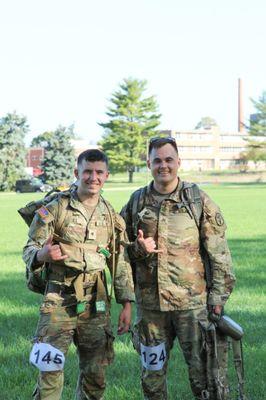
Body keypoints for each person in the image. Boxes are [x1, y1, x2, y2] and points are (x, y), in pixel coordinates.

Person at [121, 137, 236, 400]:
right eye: (158, 160)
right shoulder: (137, 202)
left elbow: (218, 253)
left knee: (205, 378)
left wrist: (218, 298)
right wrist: (138, 249)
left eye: (169, 159)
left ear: (178, 163)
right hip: (150, 311)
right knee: (152, 379)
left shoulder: (197, 200)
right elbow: (119, 250)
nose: (164, 165)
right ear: (148, 163)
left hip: (192, 308)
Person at [23, 149, 135, 400]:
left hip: (96, 303)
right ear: (77, 173)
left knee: (96, 375)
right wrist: (42, 255)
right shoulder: (53, 210)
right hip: (58, 301)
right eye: (87, 171)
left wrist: (126, 304)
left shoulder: (111, 215)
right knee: (49, 370)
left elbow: (120, 263)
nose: (92, 177)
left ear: (106, 175)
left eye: (98, 172)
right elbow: (28, 248)